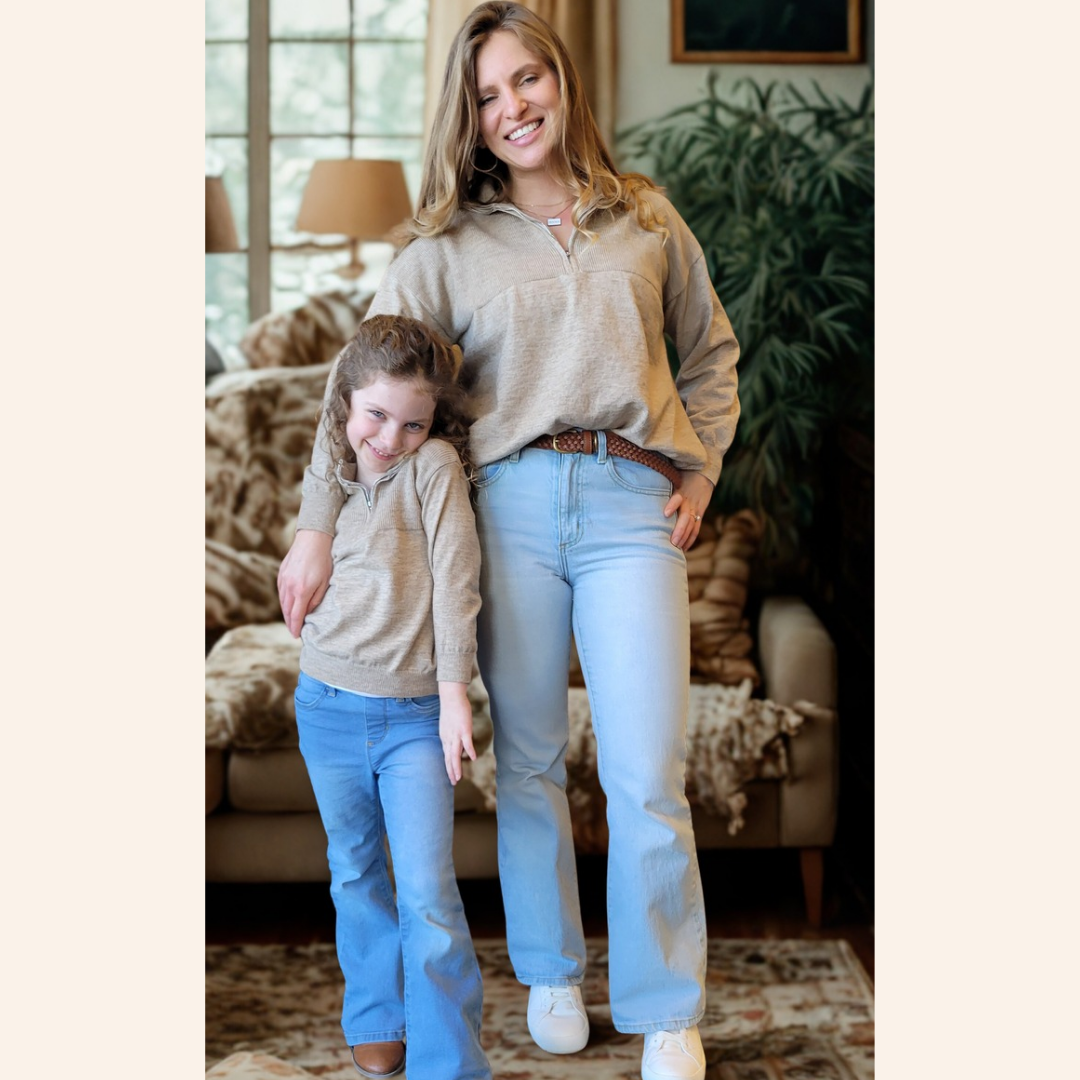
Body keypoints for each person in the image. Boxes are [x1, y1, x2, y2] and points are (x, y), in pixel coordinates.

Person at [279, 5, 740, 1079]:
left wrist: (704, 467)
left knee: (645, 767)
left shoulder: (648, 219)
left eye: (527, 79)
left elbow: (709, 354)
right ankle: (549, 973)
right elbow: (354, 395)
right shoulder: (444, 249)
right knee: (527, 759)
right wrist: (312, 531)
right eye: (488, 95)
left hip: (633, 506)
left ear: (561, 81)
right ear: (470, 119)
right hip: (506, 511)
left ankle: (666, 1003)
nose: (513, 106)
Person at [288, 314, 491, 1080]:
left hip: (413, 718)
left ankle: (450, 1062)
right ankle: (376, 1016)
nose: (390, 436)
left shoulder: (433, 466)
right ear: (343, 405)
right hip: (326, 701)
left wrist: (453, 698)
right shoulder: (334, 470)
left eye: (414, 421)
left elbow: (456, 583)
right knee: (353, 873)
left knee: (431, 894)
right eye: (375, 414)